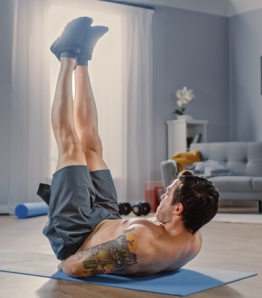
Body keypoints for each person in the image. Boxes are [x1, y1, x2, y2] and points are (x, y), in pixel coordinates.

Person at [39, 16, 219, 278]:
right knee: (93, 147)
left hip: (75, 231)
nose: (163, 196)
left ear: (179, 209)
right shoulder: (193, 239)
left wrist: (79, 253)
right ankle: (83, 60)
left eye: (169, 193)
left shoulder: (141, 242)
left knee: (71, 146)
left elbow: (73, 266)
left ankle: (66, 56)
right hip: (106, 217)